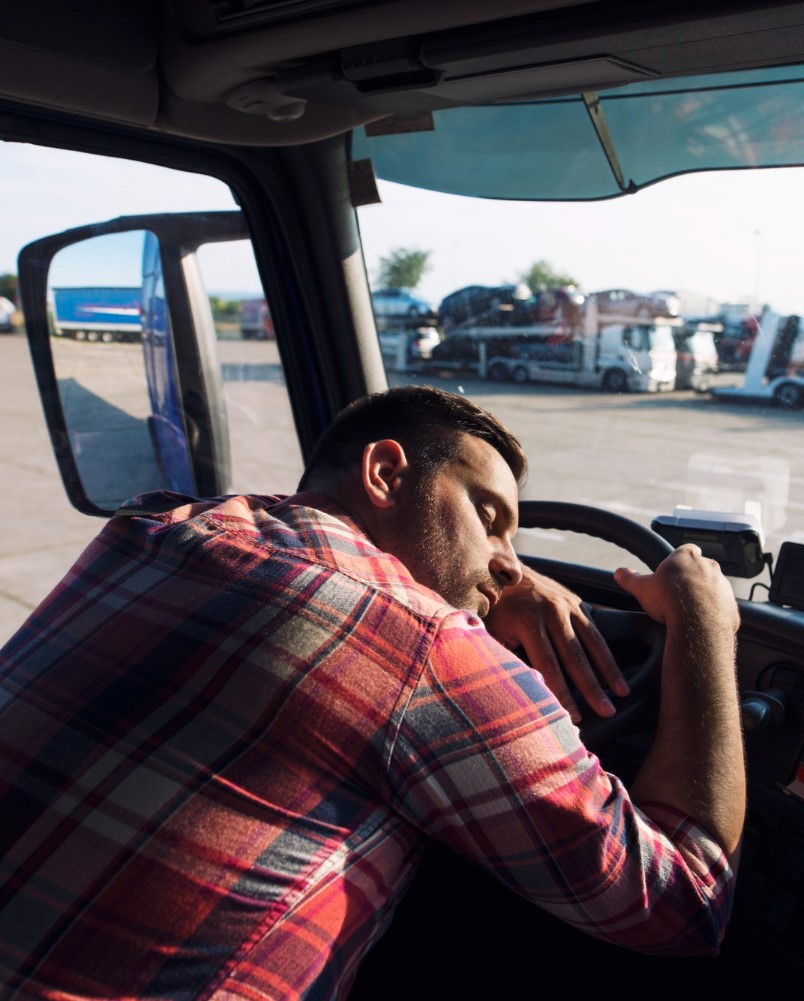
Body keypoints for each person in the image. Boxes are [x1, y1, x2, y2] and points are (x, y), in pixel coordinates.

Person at [0, 385, 744, 1000]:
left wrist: (479, 574)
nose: (510, 565)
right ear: (385, 474)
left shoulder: (152, 527)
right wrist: (704, 624)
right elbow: (681, 902)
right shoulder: (421, 643)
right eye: (489, 518)